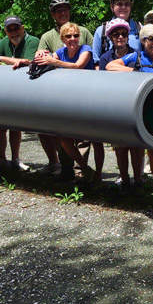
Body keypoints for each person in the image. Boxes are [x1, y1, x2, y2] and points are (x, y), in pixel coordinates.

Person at [108, 23, 153, 204]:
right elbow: (110, 66)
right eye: (150, 40)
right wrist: (134, 71)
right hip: (148, 114)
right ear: (143, 41)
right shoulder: (136, 57)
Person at [39, 22, 104, 186]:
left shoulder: (86, 50)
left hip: (89, 99)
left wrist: (54, 61)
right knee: (64, 139)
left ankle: (98, 176)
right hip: (69, 101)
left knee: (96, 140)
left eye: (75, 35)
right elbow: (44, 63)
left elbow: (77, 66)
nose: (73, 39)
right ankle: (85, 168)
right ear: (62, 38)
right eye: (68, 36)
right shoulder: (60, 52)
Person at [33, 0, 92, 175]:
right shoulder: (48, 38)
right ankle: (67, 169)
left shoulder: (84, 35)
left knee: (83, 137)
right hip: (61, 93)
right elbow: (41, 57)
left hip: (83, 92)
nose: (73, 38)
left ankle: (81, 171)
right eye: (59, 10)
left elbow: (85, 61)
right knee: (62, 136)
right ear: (53, 15)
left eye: (65, 9)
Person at [0, 15, 41, 171]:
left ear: (22, 28)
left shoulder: (32, 41)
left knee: (16, 126)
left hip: (25, 90)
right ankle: (2, 159)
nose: (14, 32)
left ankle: (15, 159)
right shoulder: (4, 41)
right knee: (0, 126)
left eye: (16, 28)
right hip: (4, 89)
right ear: (6, 31)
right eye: (10, 29)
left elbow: (27, 62)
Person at [99, 18, 144, 193]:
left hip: (134, 104)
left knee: (136, 146)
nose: (120, 37)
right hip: (114, 105)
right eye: (116, 34)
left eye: (123, 34)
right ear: (110, 37)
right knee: (120, 146)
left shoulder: (137, 54)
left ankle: (138, 179)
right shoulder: (105, 58)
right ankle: (125, 179)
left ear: (128, 36)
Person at [92, 0, 141, 66]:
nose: (123, 7)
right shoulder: (101, 31)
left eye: (127, 4)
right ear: (112, 7)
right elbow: (96, 63)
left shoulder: (140, 29)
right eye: (119, 4)